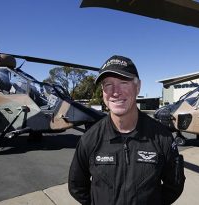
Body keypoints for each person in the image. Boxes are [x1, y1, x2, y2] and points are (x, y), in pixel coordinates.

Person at [68, 55, 185, 205]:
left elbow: (174, 186)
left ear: (138, 87)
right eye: (108, 84)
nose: (115, 92)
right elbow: (76, 185)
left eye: (123, 83)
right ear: (103, 91)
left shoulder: (163, 138)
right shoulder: (89, 139)